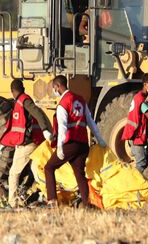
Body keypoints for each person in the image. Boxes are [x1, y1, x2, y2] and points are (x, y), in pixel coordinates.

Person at [44, 76, 106, 207]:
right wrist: (100, 139)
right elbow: (91, 122)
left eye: (54, 87)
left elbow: (63, 128)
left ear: (58, 86)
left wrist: (60, 147)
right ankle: (87, 203)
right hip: (83, 144)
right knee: (79, 174)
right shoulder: (80, 99)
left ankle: (52, 201)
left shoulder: (63, 104)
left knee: (49, 168)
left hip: (70, 143)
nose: (54, 90)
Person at [0, 79, 52, 207]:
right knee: (36, 170)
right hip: (31, 143)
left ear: (12, 91)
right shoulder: (21, 102)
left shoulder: (23, 101)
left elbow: (37, 113)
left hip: (26, 145)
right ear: (22, 88)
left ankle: (12, 202)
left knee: (13, 174)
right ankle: (48, 197)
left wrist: (45, 129)